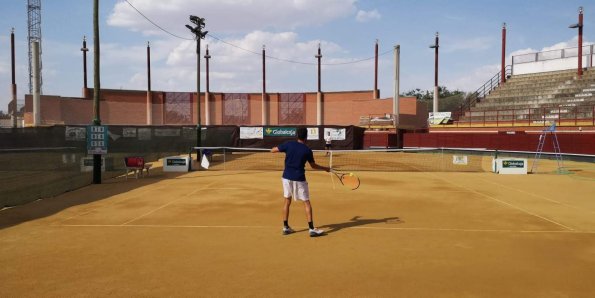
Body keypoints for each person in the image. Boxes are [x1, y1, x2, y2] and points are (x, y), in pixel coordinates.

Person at [271, 127, 330, 237]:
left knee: (287, 201)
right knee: (306, 202)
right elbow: (313, 166)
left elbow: (273, 150)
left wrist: (279, 148)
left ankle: (285, 227)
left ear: (297, 135)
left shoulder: (288, 144)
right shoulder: (307, 150)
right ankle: (311, 229)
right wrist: (325, 168)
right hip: (299, 178)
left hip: (286, 177)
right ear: (306, 137)